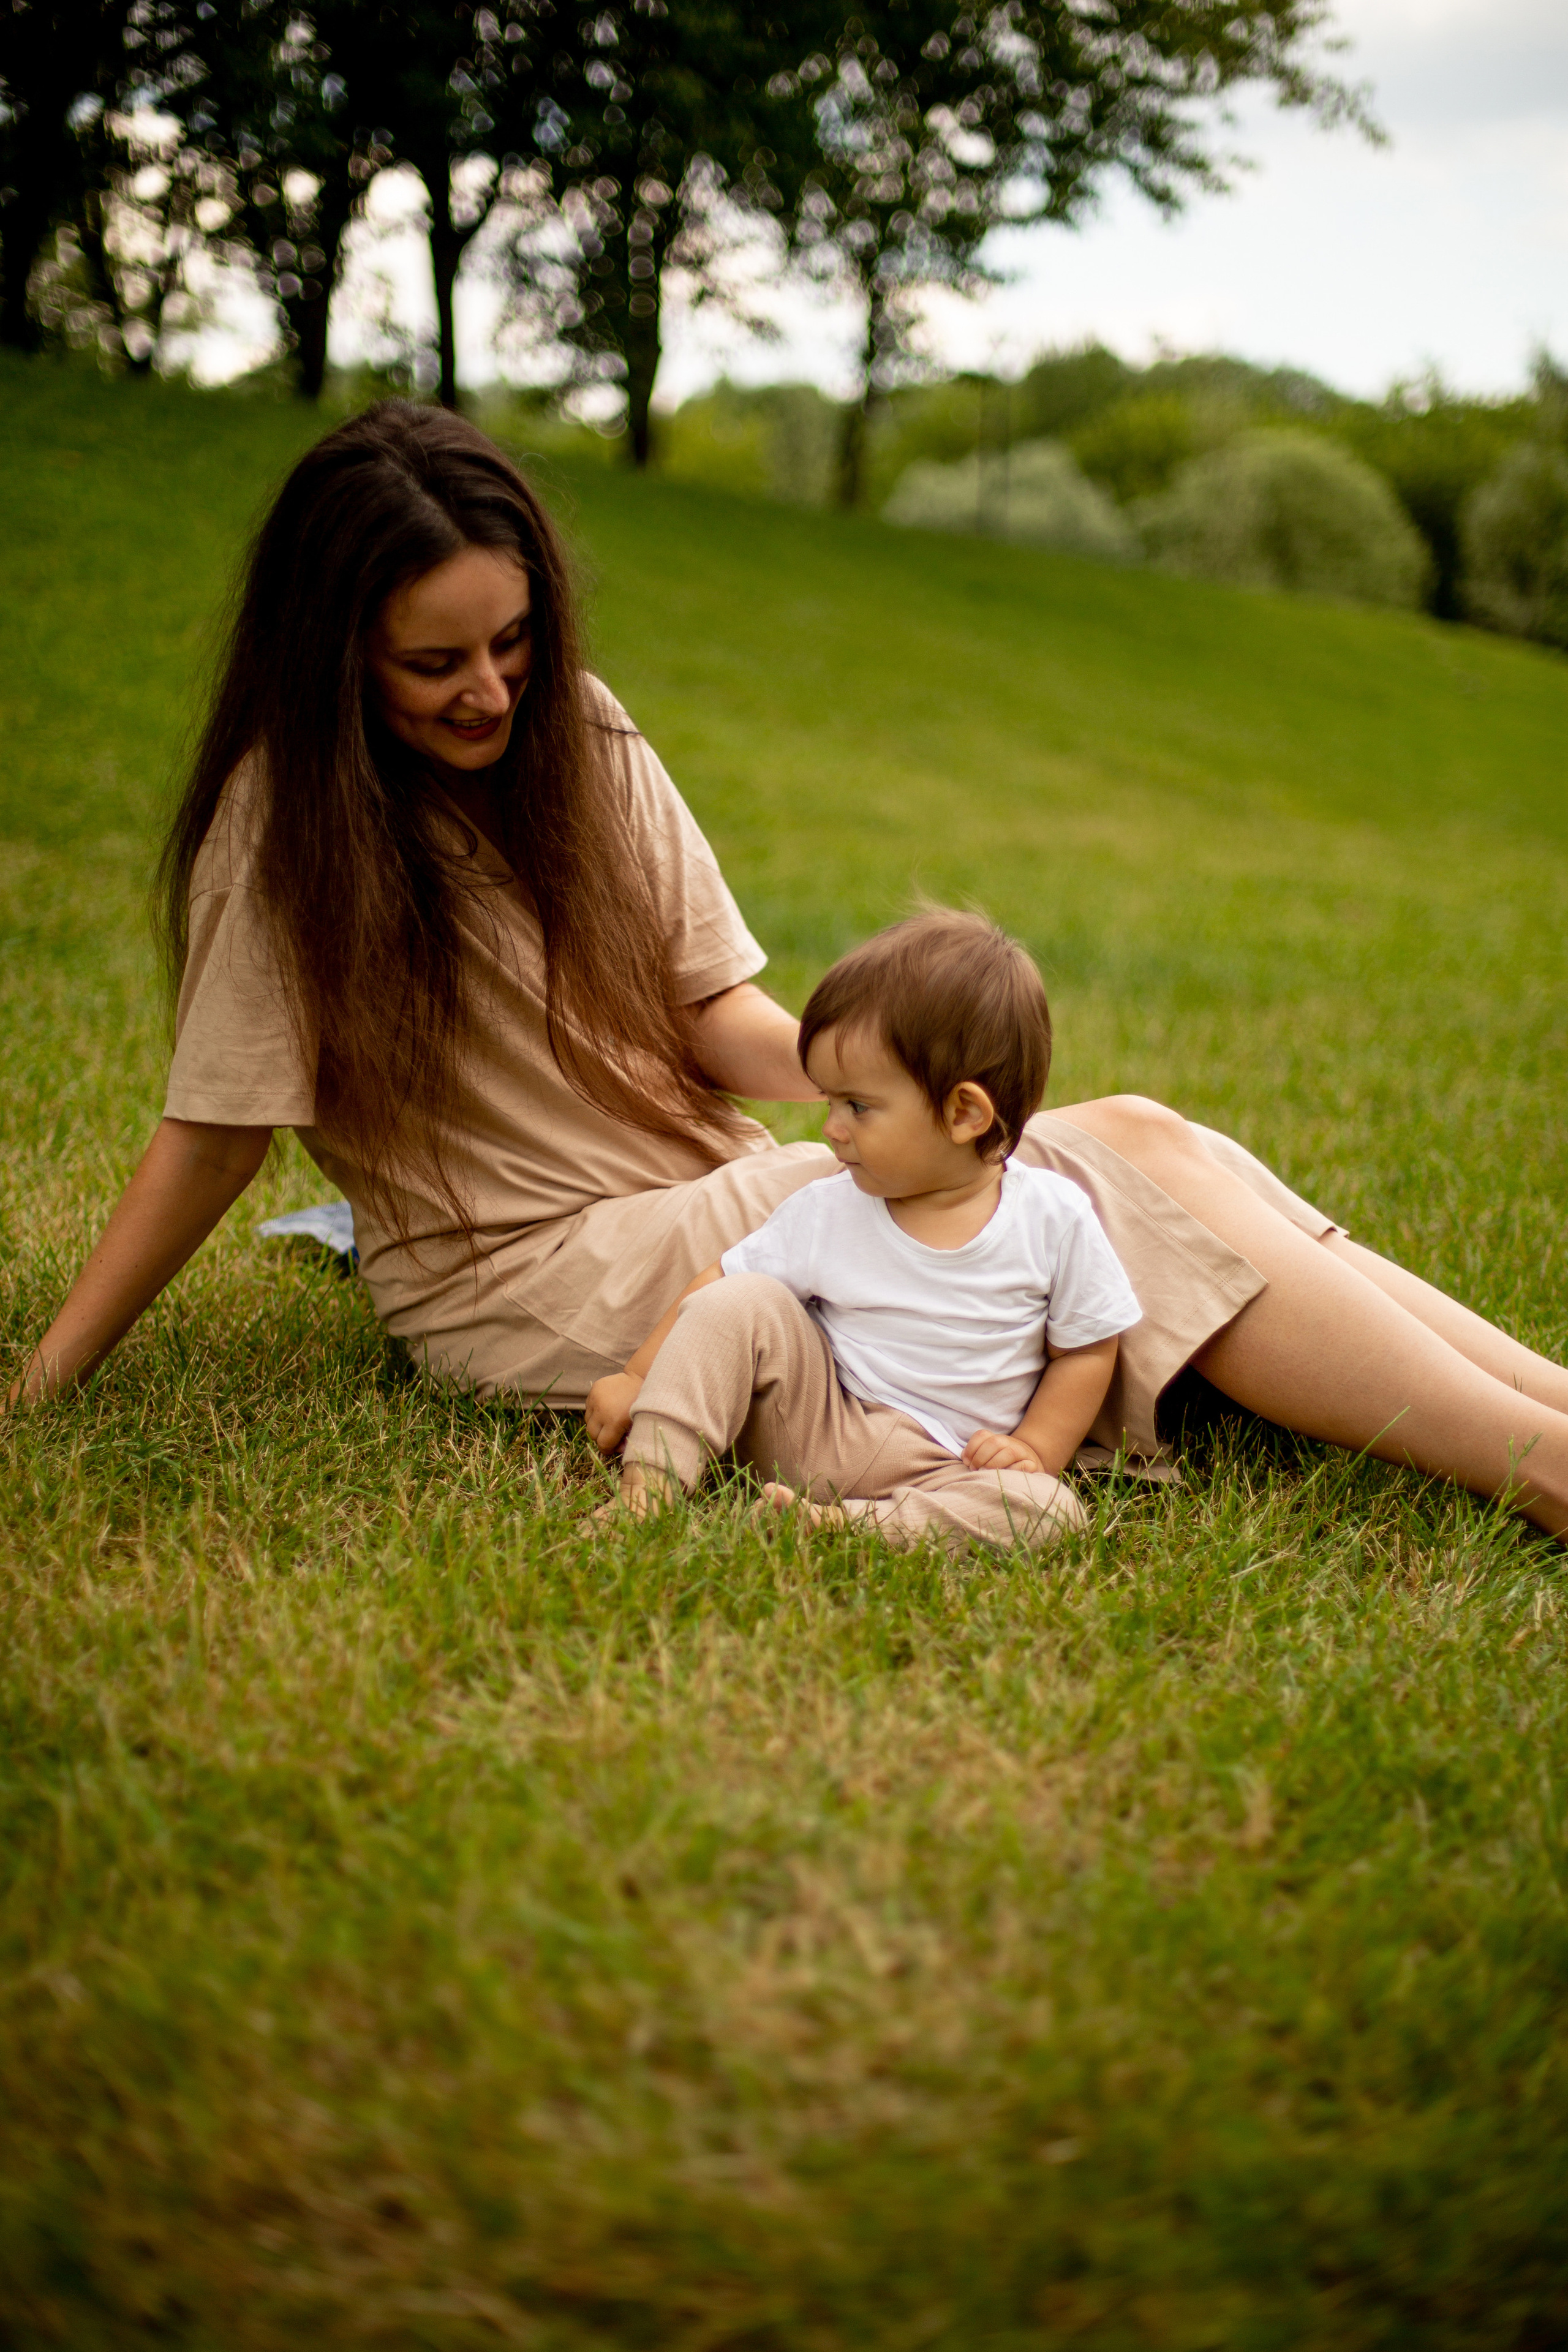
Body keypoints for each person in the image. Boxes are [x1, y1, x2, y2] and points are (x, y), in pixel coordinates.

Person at [8, 402, 1568, 1545]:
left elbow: (708, 1017)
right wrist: (49, 1375)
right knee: (1091, 1168)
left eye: (513, 641)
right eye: (435, 663)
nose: (490, 689)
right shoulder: (279, 826)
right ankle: (1540, 1468)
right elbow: (215, 1134)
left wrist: (876, 1075)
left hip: (708, 1183)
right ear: (333, 649)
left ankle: (1550, 1412)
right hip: (531, 1276)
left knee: (1134, 1135)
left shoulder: (582, 734)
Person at [585, 910, 1144, 1548]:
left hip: (945, 1465)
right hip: (811, 1422)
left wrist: (1033, 1449)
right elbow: (719, 1286)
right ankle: (651, 1486)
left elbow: (1087, 1348)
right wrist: (636, 1376)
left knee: (1047, 1510)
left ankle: (850, 1527)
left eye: (856, 1105)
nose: (830, 1127)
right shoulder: (829, 1208)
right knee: (740, 1297)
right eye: (829, 1101)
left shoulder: (1054, 1218)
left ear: (964, 1113)